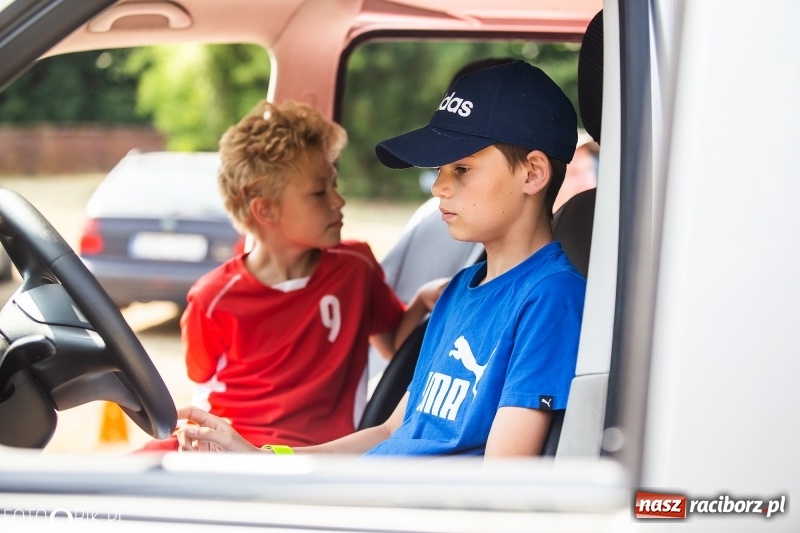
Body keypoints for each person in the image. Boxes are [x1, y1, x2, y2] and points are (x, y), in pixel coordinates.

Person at [176, 60, 586, 458]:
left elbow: (501, 481)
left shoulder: (550, 297)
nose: (438, 187)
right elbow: (392, 431)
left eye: (461, 169)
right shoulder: (460, 290)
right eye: (440, 170)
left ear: (533, 173)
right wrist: (269, 459)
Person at [140, 100, 441, 452]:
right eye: (319, 192)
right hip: (227, 449)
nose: (338, 201)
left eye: (334, 185)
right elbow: (202, 380)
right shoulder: (212, 297)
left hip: (311, 457)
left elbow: (391, 345)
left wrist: (421, 301)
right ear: (265, 210)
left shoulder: (355, 267)